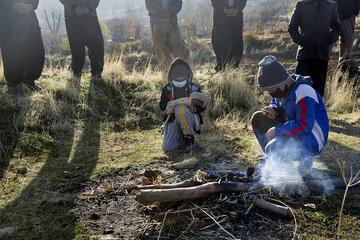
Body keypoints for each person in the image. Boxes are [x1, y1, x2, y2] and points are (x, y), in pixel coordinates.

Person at [251, 56, 329, 176]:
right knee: (258, 118)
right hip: (294, 130)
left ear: (282, 83)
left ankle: (304, 158)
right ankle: (277, 160)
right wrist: (273, 110)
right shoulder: (281, 91)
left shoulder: (303, 92)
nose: (271, 94)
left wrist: (277, 130)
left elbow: (304, 125)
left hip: (311, 137)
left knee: (272, 148)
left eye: (271, 90)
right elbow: (277, 105)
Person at [288, 0, 341, 97]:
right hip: (305, 56)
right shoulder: (301, 5)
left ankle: (316, 112)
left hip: (322, 55)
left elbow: (337, 28)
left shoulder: (331, 5)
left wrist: (329, 40)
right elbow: (292, 27)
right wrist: (302, 41)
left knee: (318, 93)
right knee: (300, 92)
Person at [159, 58, 205, 151]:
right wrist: (167, 108)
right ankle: (181, 136)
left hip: (190, 117)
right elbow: (162, 104)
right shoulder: (166, 88)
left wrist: (194, 108)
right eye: (177, 74)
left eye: (182, 74)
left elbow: (202, 105)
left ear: (188, 74)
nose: (180, 77)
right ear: (171, 74)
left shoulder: (194, 87)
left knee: (181, 108)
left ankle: (189, 137)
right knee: (168, 148)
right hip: (173, 118)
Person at [0, 0, 45, 96]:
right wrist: (12, 6)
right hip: (8, 23)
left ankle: (30, 80)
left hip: (30, 21)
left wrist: (31, 5)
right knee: (12, 53)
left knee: (36, 52)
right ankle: (14, 84)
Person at [60, 0, 104, 79]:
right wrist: (74, 7)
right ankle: (76, 75)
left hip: (90, 16)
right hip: (72, 17)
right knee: (77, 48)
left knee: (97, 45)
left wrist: (89, 7)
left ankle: (97, 75)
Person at [145, 0, 189, 71]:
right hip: (156, 24)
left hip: (172, 22)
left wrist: (171, 12)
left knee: (179, 50)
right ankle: (166, 76)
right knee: (163, 54)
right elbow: (149, 5)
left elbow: (178, 2)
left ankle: (185, 73)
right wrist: (162, 12)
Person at [211, 0, 247, 72]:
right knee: (220, 45)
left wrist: (237, 9)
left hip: (237, 19)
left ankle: (234, 69)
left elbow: (243, 1)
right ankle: (220, 70)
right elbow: (214, 2)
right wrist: (224, 9)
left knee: (237, 45)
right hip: (220, 20)